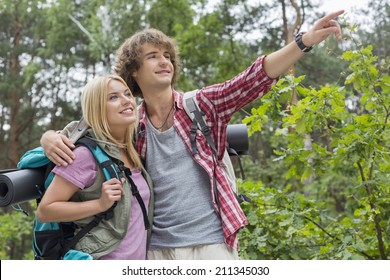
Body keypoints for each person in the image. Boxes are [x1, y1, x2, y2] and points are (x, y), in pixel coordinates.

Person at [40, 10, 344, 260]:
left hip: (212, 245)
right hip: (156, 250)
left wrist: (303, 42)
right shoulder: (131, 125)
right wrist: (49, 138)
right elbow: (89, 132)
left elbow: (253, 78)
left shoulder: (201, 105)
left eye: (167, 56)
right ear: (134, 71)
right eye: (152, 56)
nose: (164, 62)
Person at [36, 75, 153, 260]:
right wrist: (99, 204)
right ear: (97, 108)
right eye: (113, 97)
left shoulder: (133, 148)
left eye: (127, 94)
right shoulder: (85, 156)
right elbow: (45, 211)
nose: (126, 101)